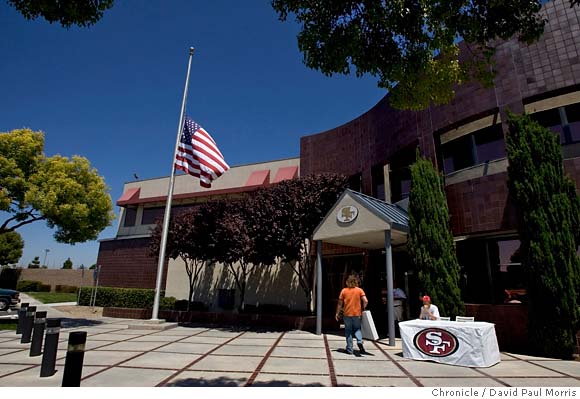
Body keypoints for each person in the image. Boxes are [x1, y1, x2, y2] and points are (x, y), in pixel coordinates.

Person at [335, 275, 369, 355]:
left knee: (348, 331)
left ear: (347, 282)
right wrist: (363, 307)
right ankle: (359, 341)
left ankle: (350, 349)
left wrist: (337, 313)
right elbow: (366, 301)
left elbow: (340, 304)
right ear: (356, 282)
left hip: (347, 314)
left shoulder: (344, 291)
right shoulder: (359, 290)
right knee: (357, 329)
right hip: (357, 314)